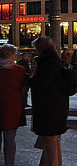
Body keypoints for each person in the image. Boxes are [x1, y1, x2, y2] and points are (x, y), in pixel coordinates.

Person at [29, 37, 70, 166]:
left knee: (50, 143)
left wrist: (29, 79)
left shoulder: (46, 64)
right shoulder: (56, 62)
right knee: (54, 142)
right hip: (57, 109)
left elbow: (42, 84)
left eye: (36, 48)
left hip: (48, 110)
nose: (35, 51)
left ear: (41, 48)